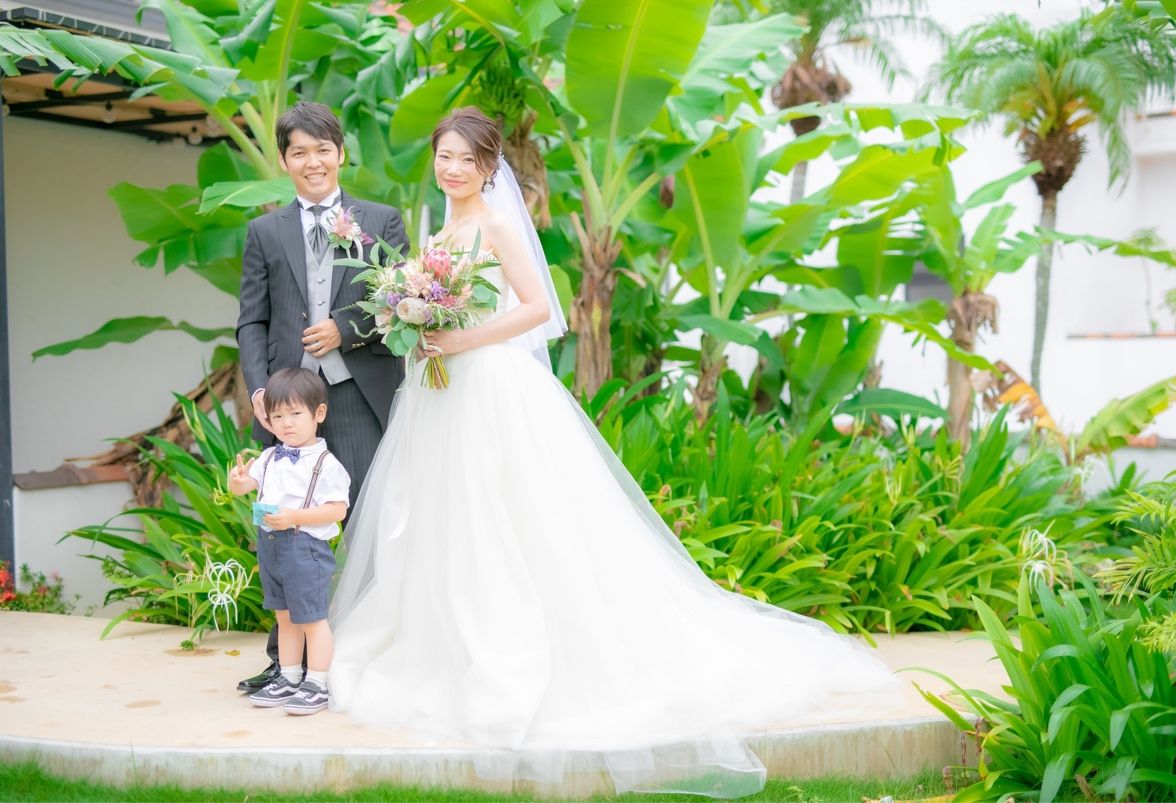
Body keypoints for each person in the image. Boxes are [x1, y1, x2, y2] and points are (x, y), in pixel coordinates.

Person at [327, 108, 900, 797]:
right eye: (443, 156)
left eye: (464, 159)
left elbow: (538, 309)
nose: (451, 169)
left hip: (490, 388)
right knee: (446, 518)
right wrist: (415, 323)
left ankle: (512, 649)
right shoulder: (439, 232)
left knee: (501, 518)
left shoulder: (497, 226)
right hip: (439, 393)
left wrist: (461, 338)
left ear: (488, 166)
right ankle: (439, 646)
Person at [235, 101, 408, 693]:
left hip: (358, 397)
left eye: (323, 150)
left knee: (365, 525)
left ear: (340, 153)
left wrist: (345, 328)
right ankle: (285, 664)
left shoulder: (380, 220)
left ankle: (368, 658)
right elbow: (251, 321)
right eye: (300, 152)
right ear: (285, 160)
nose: (313, 161)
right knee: (281, 532)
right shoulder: (264, 231)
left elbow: (400, 304)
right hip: (286, 406)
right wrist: (260, 388)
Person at [227, 368, 351, 716]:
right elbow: (244, 487)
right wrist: (236, 480)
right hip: (270, 547)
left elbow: (337, 510)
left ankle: (318, 684)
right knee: (284, 617)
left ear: (318, 413)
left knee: (311, 619)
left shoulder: (326, 464)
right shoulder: (269, 457)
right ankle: (290, 676)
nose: (286, 423)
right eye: (277, 416)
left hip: (305, 549)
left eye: (295, 413)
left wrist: (295, 517)